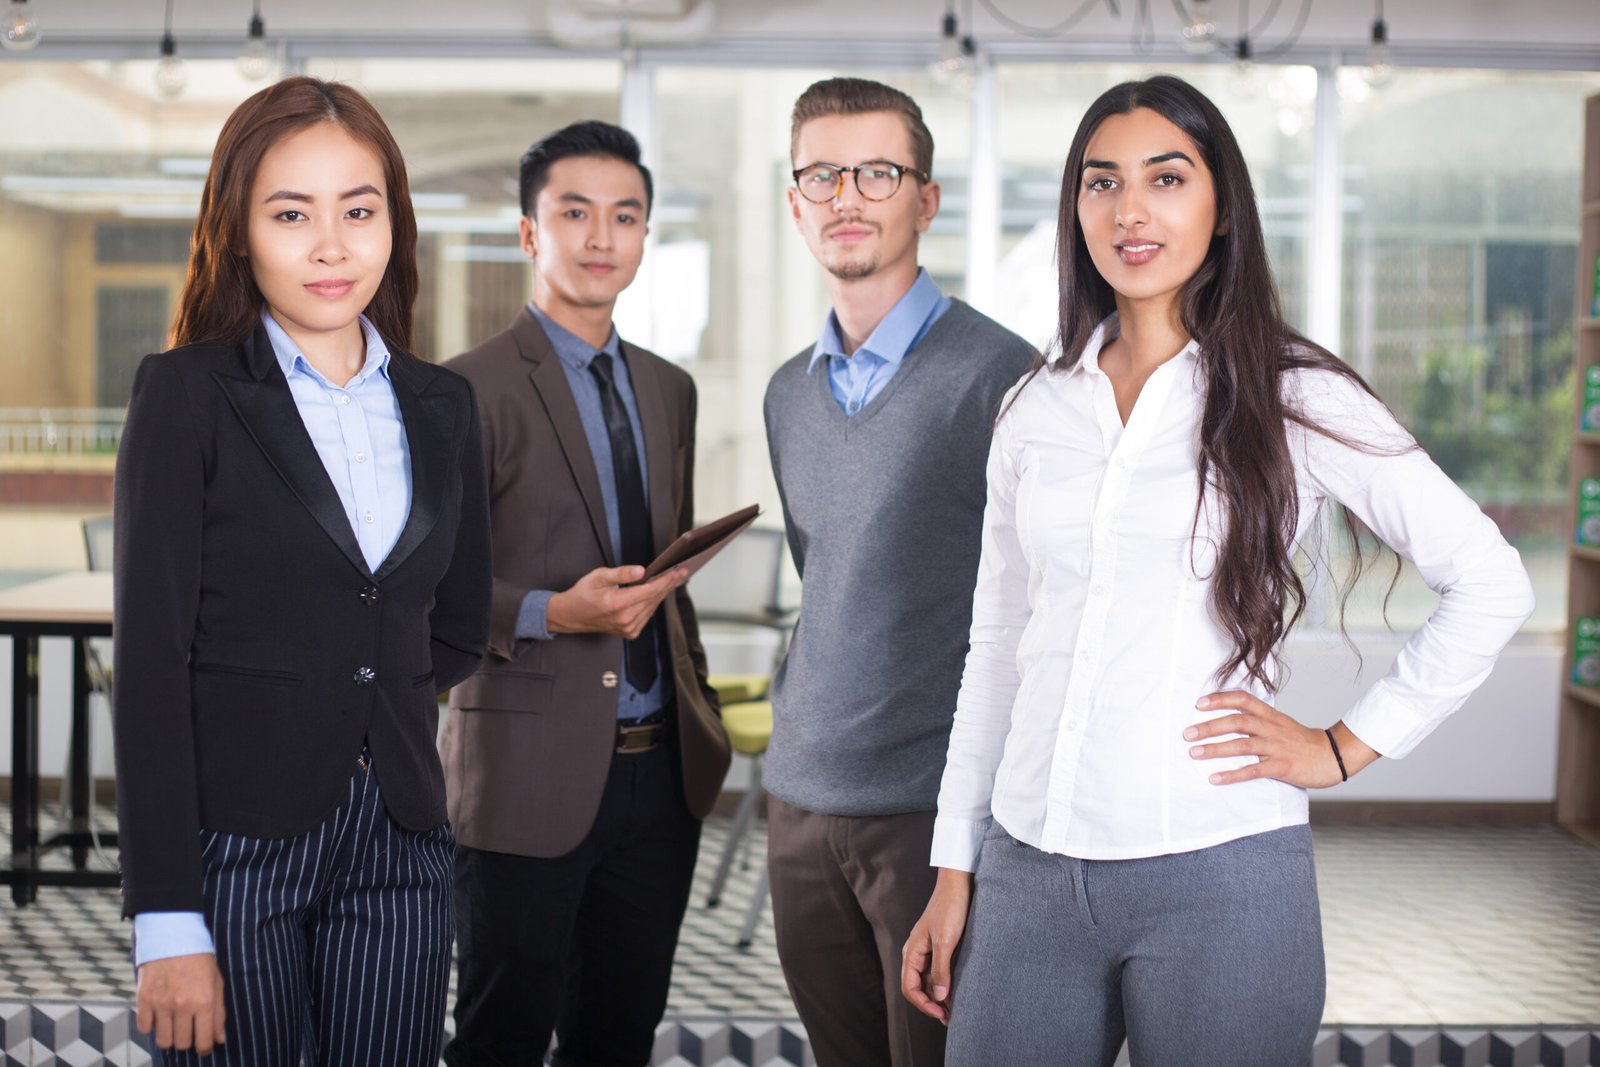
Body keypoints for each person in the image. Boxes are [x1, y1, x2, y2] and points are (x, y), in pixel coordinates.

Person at [899, 74, 1537, 1067]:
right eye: (1100, 182)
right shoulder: (1035, 406)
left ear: (1222, 206)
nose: (1130, 209)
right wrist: (953, 865)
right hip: (1025, 869)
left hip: (1221, 877)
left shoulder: (1296, 395)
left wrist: (1343, 746)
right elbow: (995, 649)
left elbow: (1491, 579)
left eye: (1166, 177)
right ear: (1075, 209)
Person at [112, 76, 491, 1065]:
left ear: (392, 224)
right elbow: (151, 663)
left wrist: (361, 697)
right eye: (292, 214)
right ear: (239, 231)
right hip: (234, 843)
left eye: (359, 211)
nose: (332, 245)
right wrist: (165, 917)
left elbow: (452, 622)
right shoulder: (187, 393)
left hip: (401, 835)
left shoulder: (445, 404)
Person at [439, 120, 730, 1067]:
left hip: (662, 773)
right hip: (524, 765)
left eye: (626, 216)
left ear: (646, 236)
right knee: (501, 1032)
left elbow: (660, 582)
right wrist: (553, 612)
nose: (603, 236)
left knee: (618, 1033)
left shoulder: (669, 389)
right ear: (530, 233)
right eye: (576, 212)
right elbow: (425, 584)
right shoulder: (462, 391)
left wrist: (704, 710)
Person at [763, 77, 1037, 1067]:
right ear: (793, 203)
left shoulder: (1004, 379)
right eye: (821, 174)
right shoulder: (787, 395)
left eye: (877, 171)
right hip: (798, 801)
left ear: (924, 199)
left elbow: (1032, 608)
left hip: (933, 810)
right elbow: (830, 579)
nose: (847, 195)